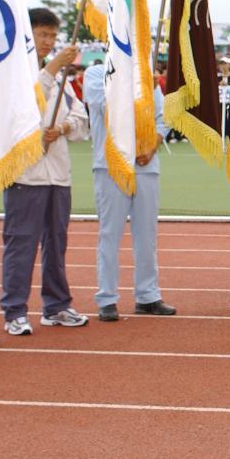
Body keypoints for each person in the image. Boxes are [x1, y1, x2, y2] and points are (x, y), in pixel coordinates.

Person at [0, 8, 91, 336]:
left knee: (57, 243)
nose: (48, 41)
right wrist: (53, 67)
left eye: (52, 36)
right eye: (42, 35)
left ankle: (56, 306)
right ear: (28, 35)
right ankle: (14, 310)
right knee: (21, 243)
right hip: (26, 176)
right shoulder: (15, 75)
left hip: (58, 176)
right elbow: (27, 105)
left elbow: (81, 119)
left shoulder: (64, 82)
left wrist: (63, 127)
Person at [83, 61, 175, 321]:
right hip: (111, 165)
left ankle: (147, 296)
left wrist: (154, 143)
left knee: (147, 235)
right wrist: (133, 85)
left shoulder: (146, 76)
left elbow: (163, 116)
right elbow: (106, 107)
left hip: (145, 166)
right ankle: (107, 298)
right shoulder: (96, 74)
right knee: (110, 234)